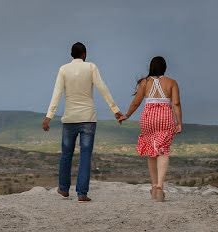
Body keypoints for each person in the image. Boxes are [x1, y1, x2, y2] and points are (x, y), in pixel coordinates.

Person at [43, 42, 124, 202]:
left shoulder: (63, 69)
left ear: (71, 55)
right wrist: (115, 110)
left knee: (66, 154)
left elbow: (57, 93)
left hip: (70, 118)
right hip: (88, 118)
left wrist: (49, 116)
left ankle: (64, 189)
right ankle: (82, 193)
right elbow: (103, 88)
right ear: (84, 54)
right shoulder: (91, 67)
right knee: (85, 155)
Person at [120, 56, 182, 202]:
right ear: (165, 68)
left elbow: (136, 103)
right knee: (163, 151)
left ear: (151, 67)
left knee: (151, 151)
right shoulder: (172, 83)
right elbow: (176, 103)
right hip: (165, 118)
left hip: (148, 118)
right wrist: (179, 123)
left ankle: (154, 186)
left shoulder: (144, 83)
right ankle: (160, 186)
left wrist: (127, 115)